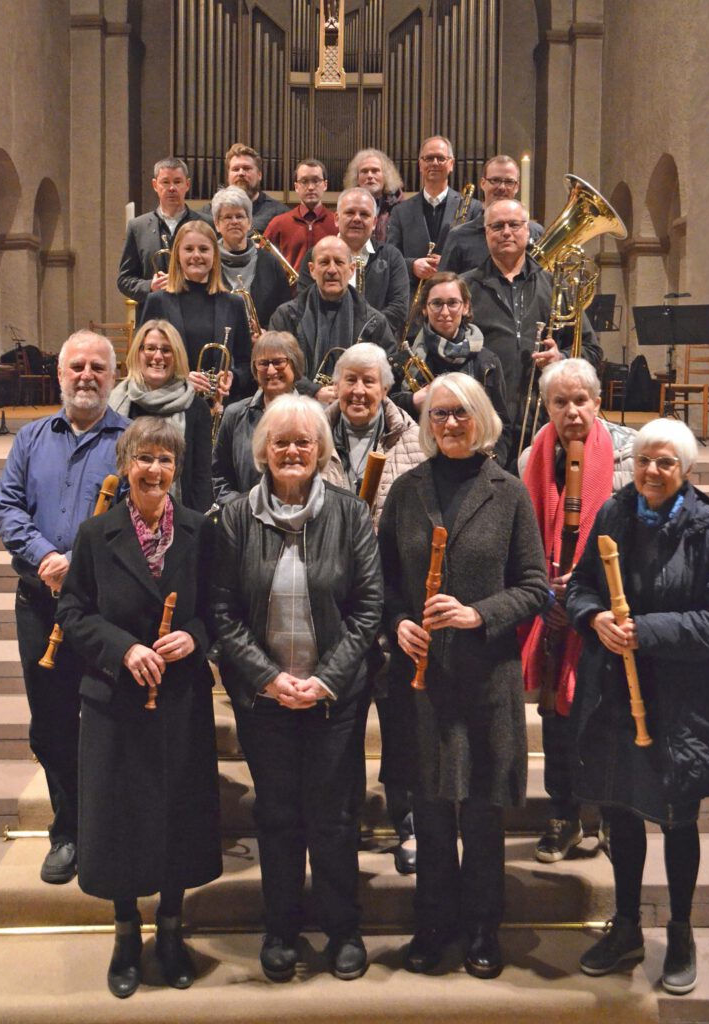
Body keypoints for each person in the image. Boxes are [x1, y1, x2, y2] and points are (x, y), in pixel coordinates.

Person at [566, 418, 709, 996]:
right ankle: (624, 926)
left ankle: (681, 930)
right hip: (619, 696)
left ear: (686, 469)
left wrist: (645, 631)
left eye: (665, 462)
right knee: (621, 812)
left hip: (682, 703)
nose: (651, 471)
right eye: (644, 459)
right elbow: (581, 586)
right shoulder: (615, 513)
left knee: (678, 821)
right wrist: (593, 617)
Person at [378, 374, 549, 979]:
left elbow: (535, 586)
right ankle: (434, 924)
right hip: (421, 682)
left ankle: (482, 927)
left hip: (484, 678)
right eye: (441, 414)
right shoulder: (407, 490)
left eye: (461, 413)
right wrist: (398, 624)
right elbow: (384, 584)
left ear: (482, 419)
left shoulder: (508, 493)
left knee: (480, 812)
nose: (450, 423)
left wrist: (478, 614)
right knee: (427, 810)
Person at [212, 394, 383, 983]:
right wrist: (268, 677)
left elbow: (369, 610)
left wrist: (325, 681)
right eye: (280, 442)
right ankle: (281, 928)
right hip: (264, 699)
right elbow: (222, 611)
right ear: (263, 450)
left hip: (333, 698)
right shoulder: (235, 516)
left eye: (302, 443)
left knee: (334, 815)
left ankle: (343, 928)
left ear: (320, 451)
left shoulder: (349, 512)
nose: (291, 451)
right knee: (279, 814)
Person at [57, 418, 221, 998]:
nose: (155, 470)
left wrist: (194, 639)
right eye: (144, 459)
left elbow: (217, 612)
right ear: (125, 465)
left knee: (178, 814)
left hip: (178, 699)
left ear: (177, 470)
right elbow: (73, 612)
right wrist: (123, 649)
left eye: (166, 460)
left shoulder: (200, 532)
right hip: (115, 700)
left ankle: (171, 932)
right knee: (121, 818)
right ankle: (127, 933)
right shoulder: (96, 533)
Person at [0, 331, 129, 885]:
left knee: (103, 718)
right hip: (39, 603)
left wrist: (81, 561)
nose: (86, 376)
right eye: (77, 366)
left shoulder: (129, 440)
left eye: (98, 367)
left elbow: (137, 518)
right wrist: (47, 555)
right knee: (51, 723)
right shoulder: (29, 439)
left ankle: (107, 827)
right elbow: (8, 508)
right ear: (60, 375)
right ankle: (67, 829)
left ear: (114, 378)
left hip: (103, 611)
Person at [518, 359, 634, 864]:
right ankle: (563, 814)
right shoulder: (532, 455)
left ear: (597, 402)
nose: (571, 411)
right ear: (547, 407)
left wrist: (590, 592)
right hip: (553, 609)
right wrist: (545, 590)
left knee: (606, 715)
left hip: (610, 607)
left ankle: (609, 814)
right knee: (556, 719)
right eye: (559, 403)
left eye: (580, 400)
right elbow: (522, 536)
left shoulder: (629, 455)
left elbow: (639, 537)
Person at [321, 343, 426, 873]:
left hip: (394, 603)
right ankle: (346, 824)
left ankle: (408, 823)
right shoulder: (313, 435)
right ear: (335, 386)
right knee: (340, 731)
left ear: (386, 387)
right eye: (349, 381)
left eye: (369, 381)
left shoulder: (415, 437)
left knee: (402, 725)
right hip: (334, 610)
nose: (358, 391)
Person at [462, 198, 603, 451]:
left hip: (544, 423)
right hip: (482, 419)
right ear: (486, 233)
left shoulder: (555, 286)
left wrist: (562, 358)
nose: (506, 232)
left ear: (528, 231)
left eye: (514, 225)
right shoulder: (465, 288)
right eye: (497, 226)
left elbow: (592, 350)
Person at [394, 271, 511, 463]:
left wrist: (492, 465)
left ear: (465, 307)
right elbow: (385, 414)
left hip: (475, 464)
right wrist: (413, 401)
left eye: (453, 303)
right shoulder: (405, 358)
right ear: (424, 308)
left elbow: (502, 426)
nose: (445, 312)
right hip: (417, 461)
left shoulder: (487, 361)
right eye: (437, 303)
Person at [268, 235, 396, 401]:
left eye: (339, 262)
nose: (332, 270)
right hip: (298, 408)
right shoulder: (285, 316)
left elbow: (387, 374)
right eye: (324, 262)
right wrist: (313, 391)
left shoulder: (374, 322)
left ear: (351, 270)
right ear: (312, 270)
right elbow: (275, 368)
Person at [139, 219, 253, 402]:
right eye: (189, 249)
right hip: (171, 403)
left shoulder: (234, 304)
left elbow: (246, 364)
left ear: (215, 256)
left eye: (204, 249)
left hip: (218, 407)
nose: (196, 255)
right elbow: (141, 361)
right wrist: (180, 380)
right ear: (177, 255)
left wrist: (234, 377)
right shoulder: (157, 301)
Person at [108, 319, 213, 512]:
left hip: (179, 516)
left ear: (177, 356)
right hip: (121, 514)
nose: (158, 356)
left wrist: (195, 527)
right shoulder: (117, 401)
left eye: (166, 350)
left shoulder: (196, 407)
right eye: (150, 348)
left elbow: (202, 478)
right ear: (137, 353)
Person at [296, 187, 410, 337]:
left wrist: (361, 333)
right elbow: (306, 304)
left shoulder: (391, 256)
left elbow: (398, 309)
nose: (357, 219)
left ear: (374, 222)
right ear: (336, 219)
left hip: (376, 347)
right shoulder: (315, 255)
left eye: (364, 214)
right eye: (350, 213)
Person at [386, 136, 482, 308]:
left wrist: (448, 264)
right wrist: (412, 265)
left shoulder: (472, 208)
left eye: (441, 158)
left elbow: (477, 259)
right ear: (420, 165)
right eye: (428, 158)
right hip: (414, 303)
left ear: (451, 164)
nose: (434, 163)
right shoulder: (400, 211)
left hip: (455, 304)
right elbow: (391, 256)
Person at [211, 331, 304, 506]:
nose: (270, 370)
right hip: (245, 522)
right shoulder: (234, 414)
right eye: (263, 363)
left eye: (278, 362)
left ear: (295, 364)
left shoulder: (313, 415)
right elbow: (219, 476)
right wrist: (241, 508)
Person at [117, 157, 212, 310]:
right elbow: (124, 279)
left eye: (178, 181)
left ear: (187, 184)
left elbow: (218, 272)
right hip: (154, 314)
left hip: (197, 311)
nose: (172, 188)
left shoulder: (206, 224)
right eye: (165, 182)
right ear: (155, 185)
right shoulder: (138, 227)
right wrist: (149, 286)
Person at [439, 154, 544, 275]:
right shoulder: (459, 236)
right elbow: (443, 286)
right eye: (495, 180)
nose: (502, 187)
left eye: (509, 182)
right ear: (483, 183)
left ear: (517, 187)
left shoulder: (535, 232)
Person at [211, 186, 293, 329]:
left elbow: (285, 312)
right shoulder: (208, 262)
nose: (234, 221)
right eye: (227, 217)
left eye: (240, 216)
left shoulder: (270, 262)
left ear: (249, 222)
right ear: (217, 224)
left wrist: (266, 334)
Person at [262, 159, 338, 270]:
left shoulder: (337, 223)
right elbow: (262, 260)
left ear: (325, 185)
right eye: (304, 181)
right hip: (289, 288)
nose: (311, 187)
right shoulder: (279, 223)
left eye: (316, 181)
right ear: (296, 186)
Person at [203, 143, 288, 232]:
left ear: (259, 175)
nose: (241, 173)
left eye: (247, 168)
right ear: (228, 176)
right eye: (236, 169)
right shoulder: (208, 213)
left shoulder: (280, 214)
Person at [343, 148, 404, 243]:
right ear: (356, 178)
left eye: (375, 171)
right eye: (364, 171)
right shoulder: (346, 207)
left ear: (385, 176)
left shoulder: (400, 209)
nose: (370, 176)